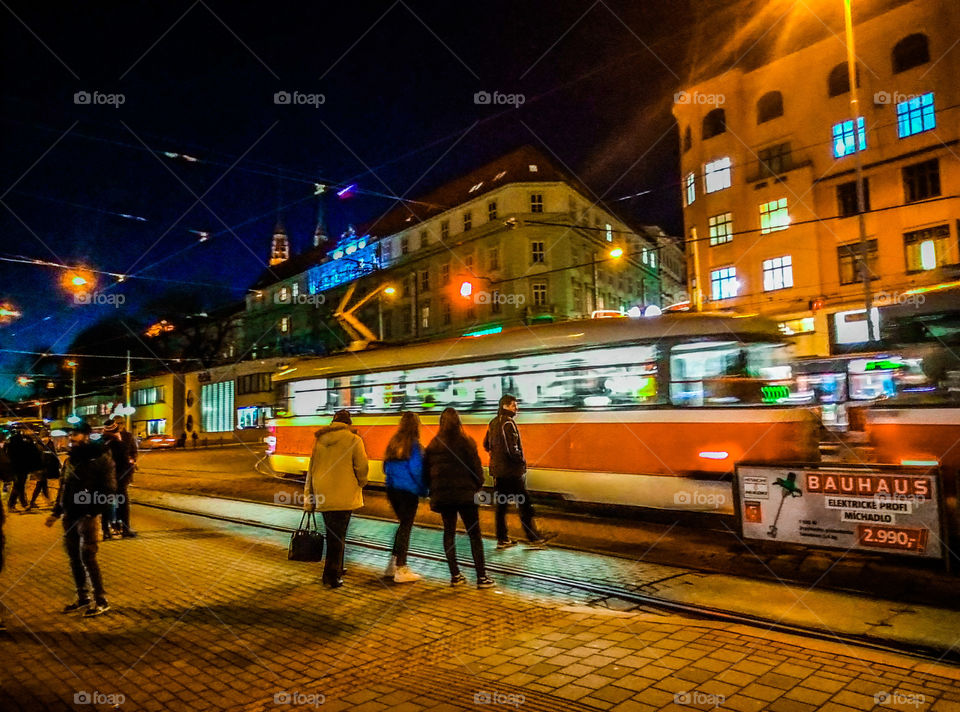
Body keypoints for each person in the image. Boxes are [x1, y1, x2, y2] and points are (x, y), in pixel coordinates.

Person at [45, 421, 116, 617]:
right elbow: (64, 488)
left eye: (74, 435)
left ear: (85, 436)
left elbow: (109, 489)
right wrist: (56, 512)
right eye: (69, 436)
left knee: (88, 556)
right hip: (70, 514)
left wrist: (92, 511)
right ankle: (83, 597)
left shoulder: (100, 458)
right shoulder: (69, 461)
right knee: (74, 557)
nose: (70, 439)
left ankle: (101, 599)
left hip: (87, 515)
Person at [424, 407, 494, 589]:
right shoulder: (467, 442)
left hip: (444, 497)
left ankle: (455, 575)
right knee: (474, 535)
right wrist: (476, 486)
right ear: (458, 422)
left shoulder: (433, 445)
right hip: (466, 496)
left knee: (449, 533)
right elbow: (477, 470)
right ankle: (481, 577)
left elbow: (426, 474)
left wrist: (433, 490)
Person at [303, 410, 368, 589]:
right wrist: (362, 482)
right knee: (338, 536)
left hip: (323, 493)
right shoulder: (354, 440)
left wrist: (309, 496)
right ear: (348, 424)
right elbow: (362, 467)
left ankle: (336, 568)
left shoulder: (320, 440)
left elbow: (312, 469)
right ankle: (331, 575)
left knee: (333, 534)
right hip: (344, 494)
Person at [483, 394, 552, 550]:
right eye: (514, 405)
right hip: (511, 472)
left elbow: (486, 444)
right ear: (505, 406)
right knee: (524, 504)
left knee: (501, 507)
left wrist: (496, 457)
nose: (516, 408)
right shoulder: (508, 423)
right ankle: (533, 539)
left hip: (498, 472)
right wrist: (520, 462)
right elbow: (511, 449)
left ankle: (502, 539)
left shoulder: (493, 422)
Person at [382, 412, 427, 583]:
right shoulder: (414, 446)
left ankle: (392, 565)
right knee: (405, 528)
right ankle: (401, 568)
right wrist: (424, 490)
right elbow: (417, 470)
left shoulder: (394, 443)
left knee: (402, 526)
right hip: (408, 492)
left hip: (393, 491)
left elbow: (385, 467)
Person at [102, 420, 136, 538]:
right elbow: (124, 459)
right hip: (111, 477)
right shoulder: (109, 442)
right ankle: (109, 530)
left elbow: (132, 453)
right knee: (110, 503)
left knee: (118, 503)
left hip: (119, 477)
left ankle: (116, 529)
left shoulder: (126, 437)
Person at [6, 429, 41, 513]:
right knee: (18, 486)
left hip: (18, 468)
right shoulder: (22, 444)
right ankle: (12, 504)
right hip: (20, 469)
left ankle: (23, 504)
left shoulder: (12, 445)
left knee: (20, 486)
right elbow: (32, 453)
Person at [27, 437, 58, 510]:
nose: (44, 440)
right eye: (43, 438)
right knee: (40, 485)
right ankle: (33, 502)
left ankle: (47, 500)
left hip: (45, 468)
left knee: (43, 485)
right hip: (40, 468)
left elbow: (53, 455)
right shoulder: (38, 446)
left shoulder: (48, 445)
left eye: (46, 438)